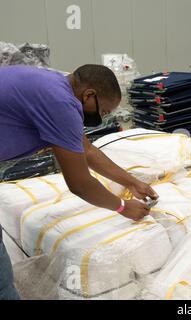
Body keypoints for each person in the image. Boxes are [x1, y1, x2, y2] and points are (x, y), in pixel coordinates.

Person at [0, 64, 159, 300]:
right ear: (89, 95)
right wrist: (123, 207)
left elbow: (85, 149)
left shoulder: (54, 86)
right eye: (104, 111)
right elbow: (79, 183)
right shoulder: (60, 104)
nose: (103, 117)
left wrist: (131, 182)